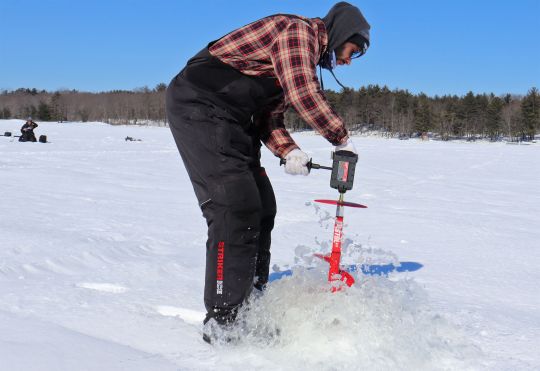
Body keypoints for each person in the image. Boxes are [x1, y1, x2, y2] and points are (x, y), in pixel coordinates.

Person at [166, 1, 370, 342]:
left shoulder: (296, 59)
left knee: (262, 207)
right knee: (234, 206)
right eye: (352, 51)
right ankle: (225, 322)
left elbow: (268, 118)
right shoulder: (298, 33)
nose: (348, 61)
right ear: (340, 35)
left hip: (233, 119)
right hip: (199, 105)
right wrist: (341, 138)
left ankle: (253, 305)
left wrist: (288, 150)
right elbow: (304, 92)